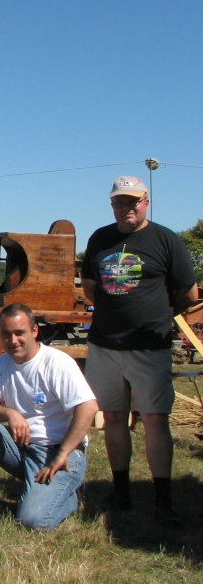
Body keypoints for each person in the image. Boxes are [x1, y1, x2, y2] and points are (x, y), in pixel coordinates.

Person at [81, 176, 198, 523]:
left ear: (146, 201)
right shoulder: (100, 239)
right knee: (113, 418)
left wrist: (157, 315)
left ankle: (163, 499)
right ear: (111, 204)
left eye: (133, 201)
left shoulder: (166, 240)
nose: (126, 207)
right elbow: (90, 287)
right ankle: (121, 492)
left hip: (150, 346)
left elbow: (188, 295)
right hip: (105, 344)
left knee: (154, 419)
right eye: (119, 202)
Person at [0, 303, 98, 531]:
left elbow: (88, 407)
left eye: (19, 333)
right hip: (22, 447)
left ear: (35, 331)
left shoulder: (57, 363)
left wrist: (63, 453)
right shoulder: (3, 363)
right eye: (6, 334)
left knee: (33, 521)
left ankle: (69, 495)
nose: (13, 341)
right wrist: (9, 413)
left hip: (58, 452)